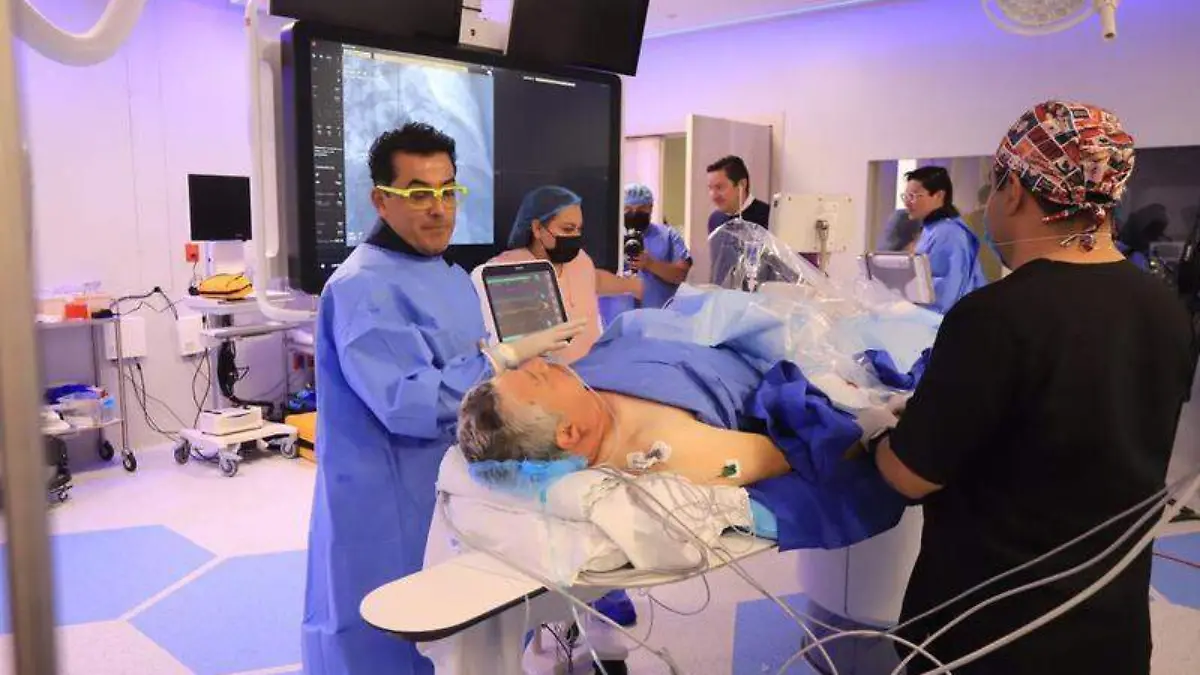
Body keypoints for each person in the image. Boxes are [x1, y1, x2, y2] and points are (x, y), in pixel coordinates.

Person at [866, 102, 1195, 675]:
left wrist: (875, 432)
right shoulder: (1166, 310)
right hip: (1109, 632)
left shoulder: (995, 316)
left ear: (1014, 190)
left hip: (991, 637)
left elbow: (910, 475)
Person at [302, 123, 584, 675]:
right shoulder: (361, 286)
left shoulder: (448, 274)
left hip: (454, 478)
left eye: (448, 190)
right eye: (418, 193)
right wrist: (501, 359)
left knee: (463, 623)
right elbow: (407, 401)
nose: (438, 208)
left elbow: (471, 374)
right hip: (388, 492)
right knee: (392, 626)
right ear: (381, 200)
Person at [487, 185, 641, 364]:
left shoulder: (580, 259)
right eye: (568, 229)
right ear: (537, 228)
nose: (575, 236)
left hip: (592, 372)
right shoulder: (506, 269)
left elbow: (593, 279)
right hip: (545, 378)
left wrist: (634, 286)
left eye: (579, 229)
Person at [902, 166, 988, 313]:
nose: (907, 202)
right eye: (906, 196)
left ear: (939, 195)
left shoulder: (949, 233)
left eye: (914, 196)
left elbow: (946, 293)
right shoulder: (933, 229)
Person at [623, 183, 692, 309]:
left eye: (641, 208)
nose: (634, 213)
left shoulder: (668, 235)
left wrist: (650, 264)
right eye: (628, 209)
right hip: (619, 314)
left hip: (660, 315)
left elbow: (681, 274)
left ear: (650, 208)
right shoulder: (612, 238)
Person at [706, 155, 770, 233]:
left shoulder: (769, 217)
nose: (713, 195)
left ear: (742, 184)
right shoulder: (715, 220)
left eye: (719, 187)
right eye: (710, 188)